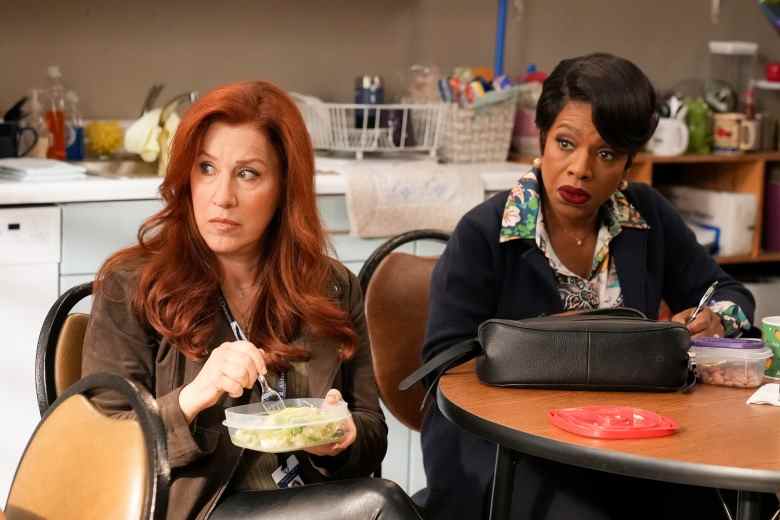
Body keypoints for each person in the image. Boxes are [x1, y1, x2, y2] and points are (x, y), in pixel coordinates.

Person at [420, 53, 756, 519]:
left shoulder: (646, 217)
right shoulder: (485, 232)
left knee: (711, 508)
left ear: (627, 164)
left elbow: (731, 293)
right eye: (565, 143)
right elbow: (444, 365)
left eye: (606, 154)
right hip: (507, 447)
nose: (580, 169)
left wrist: (716, 316)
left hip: (629, 441)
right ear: (541, 139)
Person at [81, 81, 421, 520]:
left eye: (247, 174)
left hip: (311, 501)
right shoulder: (131, 286)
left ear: (284, 188)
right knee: (383, 507)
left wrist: (341, 437)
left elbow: (371, 431)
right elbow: (101, 448)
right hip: (197, 509)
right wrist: (193, 397)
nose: (222, 196)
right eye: (206, 168)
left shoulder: (331, 287)